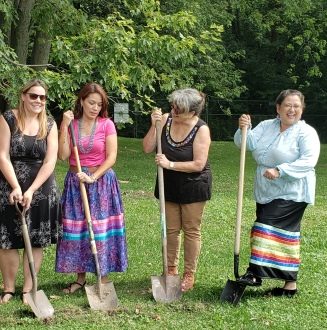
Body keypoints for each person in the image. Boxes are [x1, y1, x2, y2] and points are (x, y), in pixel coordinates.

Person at [234, 89, 320, 297]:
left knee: (264, 225)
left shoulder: (306, 133)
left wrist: (280, 170)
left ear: (302, 109)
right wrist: (244, 129)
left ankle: (254, 273)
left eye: (296, 106)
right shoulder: (266, 126)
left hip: (293, 190)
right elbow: (246, 143)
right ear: (278, 108)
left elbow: (309, 161)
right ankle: (290, 286)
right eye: (288, 105)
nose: (292, 110)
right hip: (266, 189)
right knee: (286, 236)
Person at [0, 79, 61, 304]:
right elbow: (2, 155)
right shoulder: (8, 119)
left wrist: (30, 190)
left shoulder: (49, 124)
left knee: (37, 239)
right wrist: (16, 187)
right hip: (9, 186)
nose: (38, 101)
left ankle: (29, 289)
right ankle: (9, 288)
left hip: (41, 188)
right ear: (23, 96)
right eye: (33, 96)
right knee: (9, 239)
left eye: (42, 97)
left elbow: (50, 161)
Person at [55, 83, 128, 294]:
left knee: (100, 229)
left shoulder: (107, 125)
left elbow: (112, 157)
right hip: (75, 181)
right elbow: (62, 155)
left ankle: (102, 278)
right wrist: (64, 126)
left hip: (101, 181)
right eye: (91, 103)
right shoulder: (71, 125)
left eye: (99, 104)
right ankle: (80, 279)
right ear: (81, 101)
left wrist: (92, 177)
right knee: (78, 229)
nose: (95, 107)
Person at [141, 88, 212, 292]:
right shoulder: (165, 119)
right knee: (170, 230)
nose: (173, 110)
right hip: (168, 184)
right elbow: (147, 148)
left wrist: (169, 164)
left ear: (192, 112)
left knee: (191, 230)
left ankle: (189, 273)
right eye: (173, 106)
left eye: (179, 109)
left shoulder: (201, 129)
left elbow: (199, 164)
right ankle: (171, 270)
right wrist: (154, 126)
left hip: (194, 184)